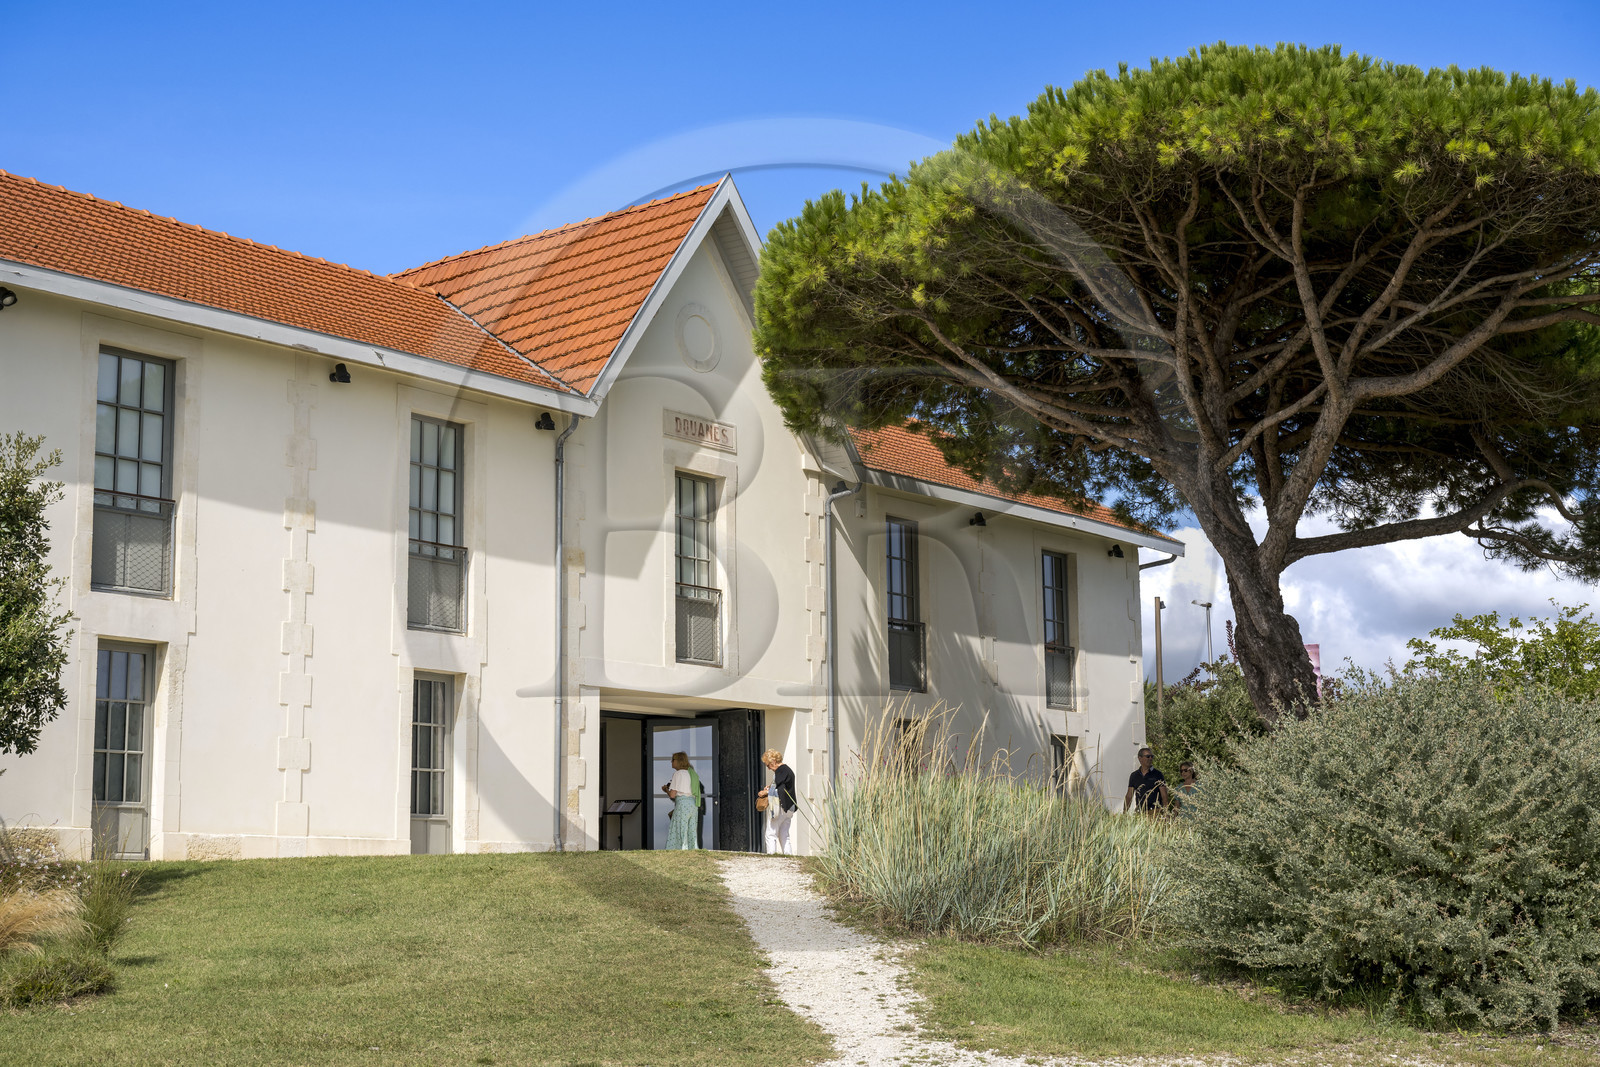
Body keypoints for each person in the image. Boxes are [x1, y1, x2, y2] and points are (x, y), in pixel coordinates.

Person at [757, 748, 797, 855]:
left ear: (773, 761)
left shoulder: (781, 771)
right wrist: (770, 787)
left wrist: (765, 792)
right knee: (784, 833)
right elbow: (781, 786)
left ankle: (771, 855)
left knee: (771, 832)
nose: (769, 768)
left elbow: (779, 789)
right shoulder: (787, 770)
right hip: (789, 807)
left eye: (768, 765)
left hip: (779, 806)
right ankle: (788, 855)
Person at [664, 751, 700, 849]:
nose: (671, 762)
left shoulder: (678, 774)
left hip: (683, 804)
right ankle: (692, 851)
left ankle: (680, 851)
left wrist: (666, 790)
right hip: (693, 804)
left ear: (678, 761)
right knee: (691, 830)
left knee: (680, 828)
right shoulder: (692, 774)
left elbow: (672, 795)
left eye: (673, 760)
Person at [1122, 747, 1169, 814]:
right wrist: (1124, 812)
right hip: (1140, 812)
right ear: (1140, 758)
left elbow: (1164, 795)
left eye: (1152, 756)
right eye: (1148, 756)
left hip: (1155, 812)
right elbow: (1129, 795)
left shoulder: (1158, 774)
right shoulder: (1134, 775)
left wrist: (1166, 812)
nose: (1150, 758)